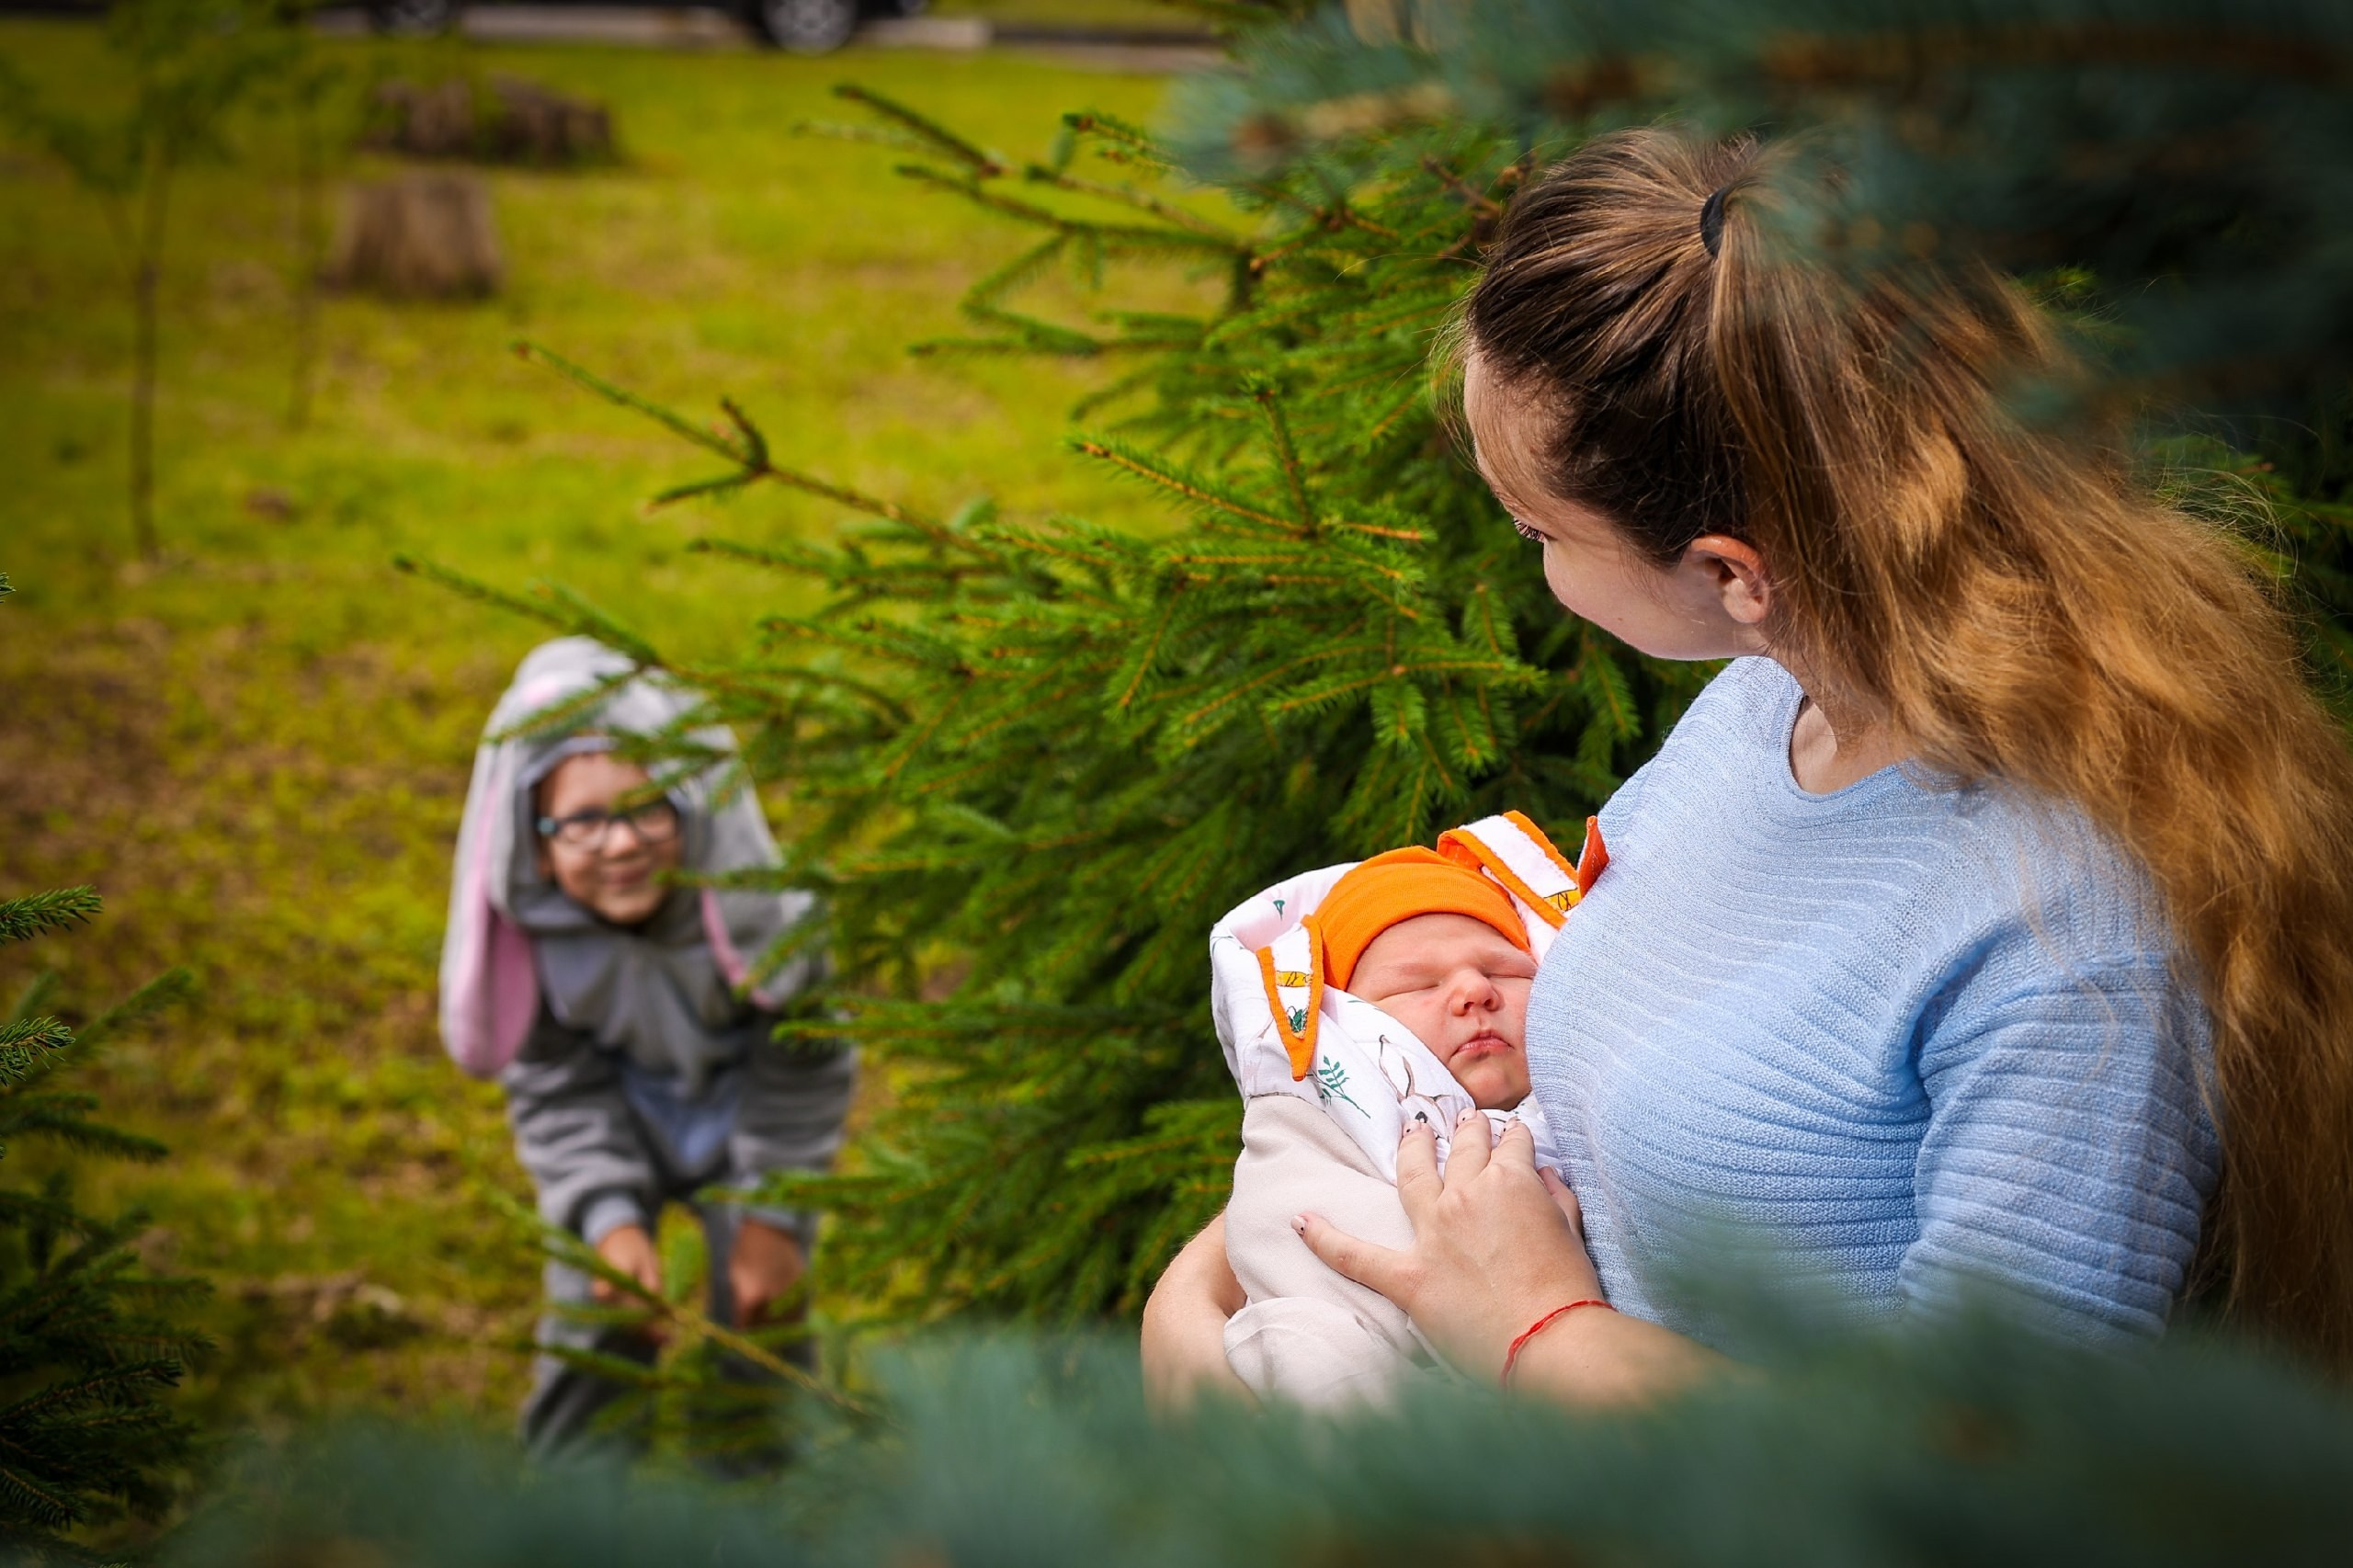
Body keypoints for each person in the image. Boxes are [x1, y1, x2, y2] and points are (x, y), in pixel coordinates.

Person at [1142, 126, 2353, 1411]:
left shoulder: (2067, 937)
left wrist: (1538, 1329)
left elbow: (1984, 1471)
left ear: (1733, 572)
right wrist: (1214, 1287)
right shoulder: (1767, 711)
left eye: (1538, 529)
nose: (1530, 560)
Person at [439, 637, 856, 1456]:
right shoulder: (534, 945)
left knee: (761, 1329)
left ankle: (757, 1489)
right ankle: (581, 1500)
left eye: (647, 807)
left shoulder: (752, 917)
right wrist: (606, 1217)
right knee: (598, 1317)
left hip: (750, 1127)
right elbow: (555, 1086)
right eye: (583, 822)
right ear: (535, 840)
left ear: (692, 804)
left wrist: (772, 1214)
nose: (622, 844)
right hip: (615, 1127)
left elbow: (804, 1059)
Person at [1209, 818, 1589, 1408]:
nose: (1475, 991)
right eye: (1418, 985)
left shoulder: (1596, 1108)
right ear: (1342, 1024)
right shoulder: (1310, 1126)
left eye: (1506, 970)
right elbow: (1274, 1229)